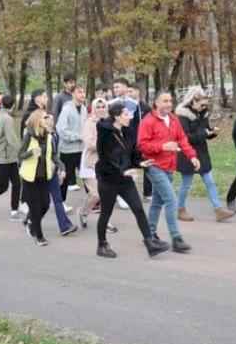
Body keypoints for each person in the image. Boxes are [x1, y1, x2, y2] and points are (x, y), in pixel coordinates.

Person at [95, 101, 166, 259]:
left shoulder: (128, 131)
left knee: (138, 209)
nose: (130, 116)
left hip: (125, 179)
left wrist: (140, 163)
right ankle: (102, 245)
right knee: (106, 213)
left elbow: (132, 154)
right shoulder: (105, 133)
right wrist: (123, 171)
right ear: (116, 117)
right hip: (108, 179)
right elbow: (106, 158)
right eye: (126, 114)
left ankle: (150, 243)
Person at [137, 91, 197, 253]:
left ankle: (149, 235)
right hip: (154, 166)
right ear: (156, 103)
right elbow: (142, 145)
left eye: (170, 101)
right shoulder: (148, 121)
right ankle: (176, 238)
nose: (169, 104)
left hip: (169, 166)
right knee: (171, 200)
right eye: (165, 101)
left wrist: (192, 156)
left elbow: (182, 139)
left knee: (157, 202)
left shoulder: (173, 119)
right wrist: (162, 146)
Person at [175, 87, 236, 222]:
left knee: (210, 181)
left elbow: (205, 130)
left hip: (202, 152)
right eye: (201, 104)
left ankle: (218, 210)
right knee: (186, 183)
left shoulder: (203, 113)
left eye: (205, 104)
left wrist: (212, 132)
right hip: (187, 154)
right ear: (192, 101)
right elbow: (185, 138)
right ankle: (180, 209)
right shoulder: (182, 116)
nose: (204, 107)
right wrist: (205, 133)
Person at [19, 110, 60, 246]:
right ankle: (39, 236)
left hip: (44, 176)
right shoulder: (28, 136)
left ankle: (30, 220)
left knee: (46, 205)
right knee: (36, 207)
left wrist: (62, 167)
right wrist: (31, 153)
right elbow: (20, 155)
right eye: (45, 117)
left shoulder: (49, 136)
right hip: (30, 177)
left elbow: (53, 155)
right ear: (38, 120)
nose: (47, 119)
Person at [77, 97, 107, 229]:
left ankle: (105, 222)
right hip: (90, 162)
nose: (101, 109)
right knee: (95, 194)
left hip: (106, 163)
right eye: (98, 107)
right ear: (93, 109)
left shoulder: (109, 122)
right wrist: (105, 145)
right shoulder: (89, 122)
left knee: (106, 194)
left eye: (103, 106)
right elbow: (89, 143)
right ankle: (83, 212)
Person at [56, 86, 87, 200]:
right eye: (79, 92)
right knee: (65, 178)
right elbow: (61, 129)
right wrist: (78, 137)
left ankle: (94, 201)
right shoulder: (67, 109)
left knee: (87, 175)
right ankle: (60, 202)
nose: (83, 94)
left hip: (82, 149)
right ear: (73, 94)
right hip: (68, 150)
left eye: (84, 92)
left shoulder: (83, 108)